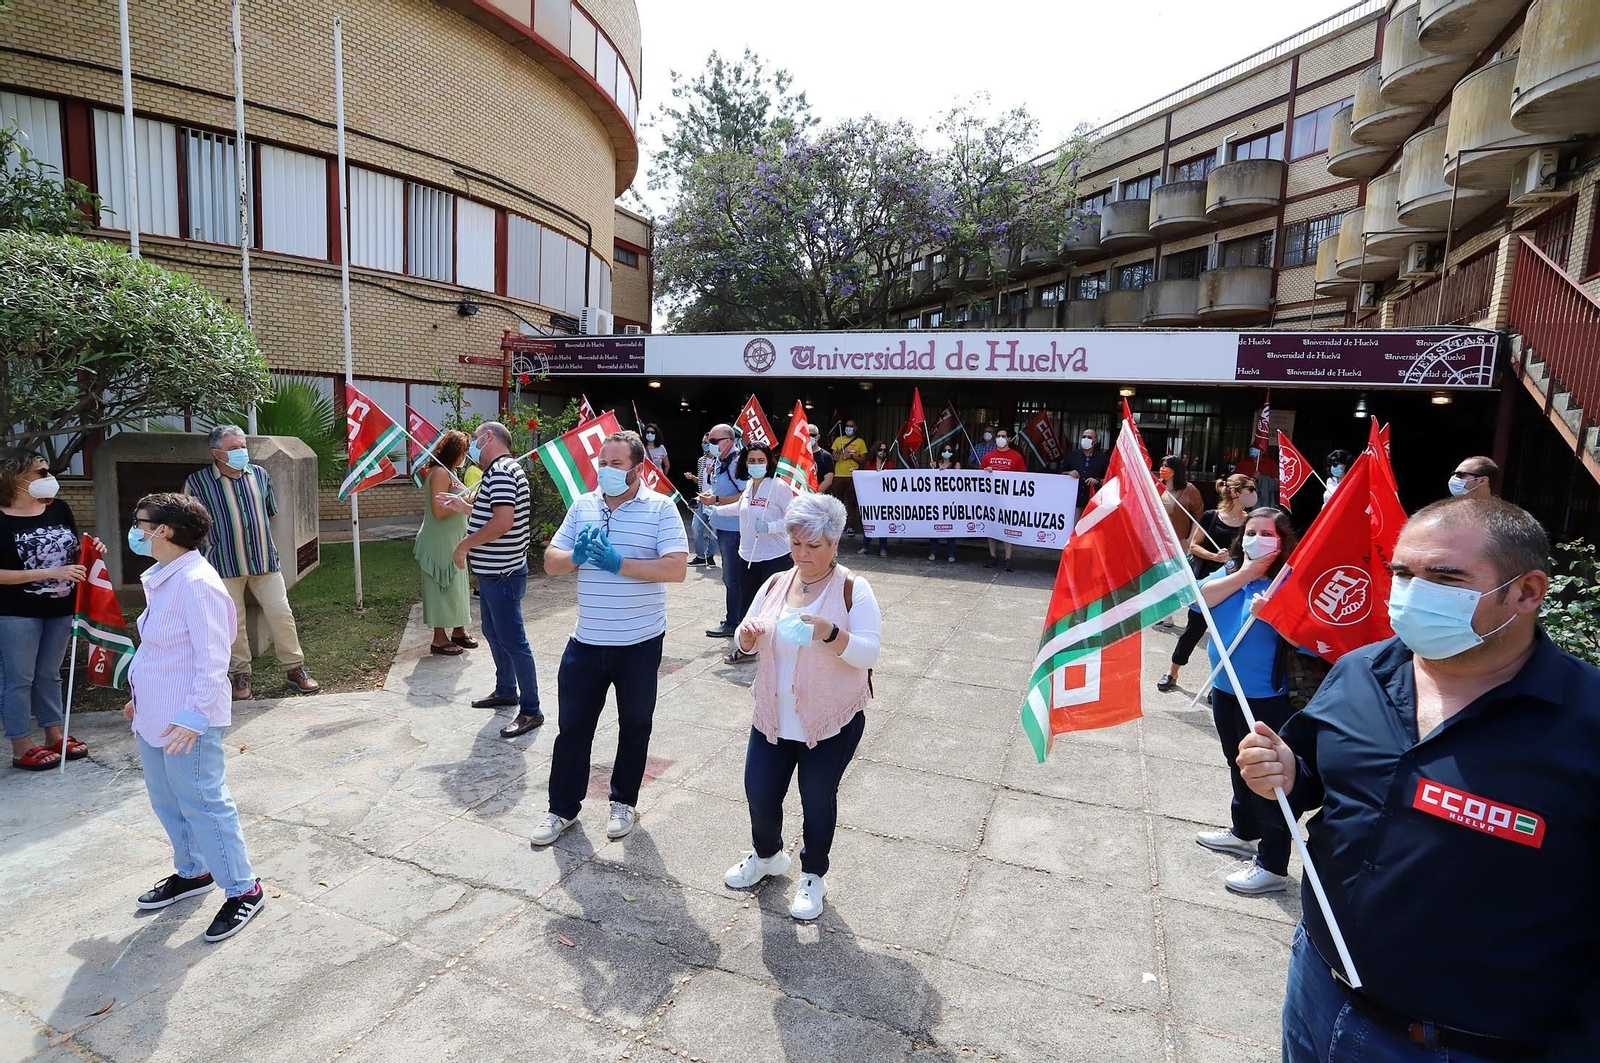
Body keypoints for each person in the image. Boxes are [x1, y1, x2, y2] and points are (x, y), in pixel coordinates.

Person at [1237, 497, 1600, 1063]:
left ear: (1527, 592)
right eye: (1403, 573)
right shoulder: (1361, 671)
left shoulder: (1586, 725)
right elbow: (1313, 777)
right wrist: (1284, 772)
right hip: (1317, 989)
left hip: (1460, 1045)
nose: (1412, 592)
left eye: (1445, 577)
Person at [723, 492, 880, 922]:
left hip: (829, 720)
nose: (803, 553)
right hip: (774, 715)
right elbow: (743, 633)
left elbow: (869, 653)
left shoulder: (852, 588)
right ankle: (767, 855)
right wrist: (747, 639)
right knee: (759, 790)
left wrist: (831, 633)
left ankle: (814, 874)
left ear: (834, 545)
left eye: (814, 545)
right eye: (796, 544)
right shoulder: (775, 583)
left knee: (816, 797)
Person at [530, 431, 688, 845]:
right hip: (586, 641)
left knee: (635, 726)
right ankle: (561, 809)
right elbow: (551, 562)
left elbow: (675, 568)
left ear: (638, 468)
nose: (607, 470)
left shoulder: (660, 509)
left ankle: (623, 801)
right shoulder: (583, 505)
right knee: (572, 729)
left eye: (616, 465)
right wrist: (576, 557)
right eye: (603, 462)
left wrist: (620, 564)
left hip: (639, 642)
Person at [124, 492, 265, 941]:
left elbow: (212, 658)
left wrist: (193, 716)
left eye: (140, 522)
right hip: (155, 713)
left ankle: (244, 890)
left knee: (204, 803)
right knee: (167, 799)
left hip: (187, 720)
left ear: (162, 531)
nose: (136, 529)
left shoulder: (197, 584)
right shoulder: (165, 575)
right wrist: (139, 696)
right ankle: (193, 870)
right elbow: (160, 650)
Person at [1192, 507, 1301, 896]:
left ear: (1283, 538)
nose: (1256, 538)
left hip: (1267, 697)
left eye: (1266, 532)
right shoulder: (1235, 571)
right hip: (1224, 687)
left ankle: (1272, 864)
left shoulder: (1292, 580)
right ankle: (1244, 831)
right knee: (1235, 763)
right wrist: (1245, 575)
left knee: (1268, 777)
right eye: (1251, 531)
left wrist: (1275, 615)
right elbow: (1200, 598)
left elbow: (1309, 636)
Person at [184, 425, 319, 700]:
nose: (241, 452)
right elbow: (191, 525)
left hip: (264, 560)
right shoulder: (196, 483)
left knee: (281, 613)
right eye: (234, 448)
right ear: (216, 453)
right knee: (233, 622)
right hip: (222, 564)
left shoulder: (259, 474)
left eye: (243, 446)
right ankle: (240, 674)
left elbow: (269, 514)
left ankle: (295, 668)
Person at [435, 421, 542, 738]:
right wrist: (464, 507)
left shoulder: (501, 471)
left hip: (503, 573)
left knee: (514, 641)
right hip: (496, 572)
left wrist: (464, 545)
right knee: (494, 632)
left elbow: (503, 522)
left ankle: (532, 710)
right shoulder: (500, 471)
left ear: (490, 437)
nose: (473, 447)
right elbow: (492, 514)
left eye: (477, 438)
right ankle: (506, 689)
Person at [1, 448, 91, 771]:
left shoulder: (60, 509)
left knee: (50, 674)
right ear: (16, 478)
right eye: (41, 473)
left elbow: (74, 551)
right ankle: (21, 744)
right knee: (19, 679)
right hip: (15, 611)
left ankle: (55, 734)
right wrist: (48, 573)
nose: (49, 478)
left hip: (61, 608)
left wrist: (91, 554)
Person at [1159, 474, 1256, 692]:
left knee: (1226, 637)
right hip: (1208, 583)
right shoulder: (1212, 516)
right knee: (1193, 630)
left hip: (1234, 585)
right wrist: (1215, 557)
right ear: (1235, 492)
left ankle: (1217, 684)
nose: (1254, 493)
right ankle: (1172, 672)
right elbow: (1194, 546)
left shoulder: (1250, 521)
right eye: (1250, 488)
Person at [710, 442, 794, 665]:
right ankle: (748, 649)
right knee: (749, 605)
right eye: (752, 461)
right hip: (747, 556)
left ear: (769, 462)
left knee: (776, 606)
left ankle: (778, 652)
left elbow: (793, 517)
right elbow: (741, 508)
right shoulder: (749, 486)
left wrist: (771, 526)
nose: (756, 465)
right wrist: (716, 510)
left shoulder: (778, 487)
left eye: (761, 461)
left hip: (775, 556)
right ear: (745, 463)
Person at [413, 430, 477, 657]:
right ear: (455, 451)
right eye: (464, 451)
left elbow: (456, 501)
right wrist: (462, 502)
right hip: (438, 540)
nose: (466, 456)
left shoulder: (451, 472)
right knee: (441, 585)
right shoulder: (440, 472)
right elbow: (439, 511)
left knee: (457, 585)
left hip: (455, 539)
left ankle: (459, 629)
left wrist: (468, 500)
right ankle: (439, 638)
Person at [699, 423, 747, 639]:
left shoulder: (738, 463)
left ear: (728, 441)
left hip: (735, 528)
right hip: (724, 525)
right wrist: (708, 497)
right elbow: (719, 488)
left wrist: (716, 500)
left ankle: (734, 622)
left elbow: (745, 495)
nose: (710, 445)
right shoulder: (721, 461)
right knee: (731, 575)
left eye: (714, 441)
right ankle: (735, 616)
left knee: (731, 576)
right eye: (709, 441)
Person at [981, 428, 1028, 572]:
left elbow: (1023, 477)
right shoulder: (988, 457)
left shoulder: (1017, 457)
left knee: (1007, 527)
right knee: (991, 527)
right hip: (991, 499)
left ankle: (1008, 558)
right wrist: (986, 471)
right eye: (998, 436)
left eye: (1003, 436)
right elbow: (979, 477)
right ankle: (992, 556)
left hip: (1009, 500)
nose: (1000, 438)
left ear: (1008, 439)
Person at [682, 432, 719, 569]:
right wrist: (693, 478)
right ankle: (700, 556)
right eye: (703, 442)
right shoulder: (701, 461)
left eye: (707, 442)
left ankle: (710, 555)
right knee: (696, 527)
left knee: (714, 529)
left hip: (715, 500)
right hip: (702, 498)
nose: (704, 445)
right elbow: (702, 481)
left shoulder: (719, 461)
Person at [857, 442, 896, 557]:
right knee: (869, 521)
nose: (882, 452)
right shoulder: (869, 463)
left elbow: (892, 478)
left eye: (884, 450)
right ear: (875, 450)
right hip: (871, 497)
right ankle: (865, 546)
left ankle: (883, 548)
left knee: (883, 522)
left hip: (884, 498)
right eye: (880, 449)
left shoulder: (889, 463)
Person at [1063, 427, 1110, 522]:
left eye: (1089, 437)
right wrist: (1068, 473)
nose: (1086, 439)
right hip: (1074, 503)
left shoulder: (1103, 458)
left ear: (1095, 441)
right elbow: (1060, 473)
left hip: (1093, 504)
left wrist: (1097, 481)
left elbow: (1109, 480)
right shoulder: (1072, 456)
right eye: (1084, 437)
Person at [830, 418, 868, 533]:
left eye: (851, 426)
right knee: (838, 501)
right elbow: (834, 457)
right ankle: (838, 525)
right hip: (838, 475)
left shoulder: (860, 441)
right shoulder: (838, 440)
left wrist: (851, 456)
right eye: (847, 425)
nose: (849, 428)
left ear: (855, 428)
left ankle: (851, 525)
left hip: (853, 476)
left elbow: (863, 459)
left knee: (852, 502)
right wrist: (842, 453)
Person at [1159, 455, 1204, 543]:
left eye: (1167, 466)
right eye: (1162, 465)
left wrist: (1189, 541)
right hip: (1158, 541)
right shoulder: (1156, 486)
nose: (1162, 468)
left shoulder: (1189, 489)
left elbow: (1198, 518)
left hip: (1178, 542)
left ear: (1176, 469)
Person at [928, 445, 962, 562]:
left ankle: (951, 554)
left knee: (951, 528)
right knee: (934, 528)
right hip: (936, 500)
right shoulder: (935, 464)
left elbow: (959, 480)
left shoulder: (956, 465)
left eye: (949, 450)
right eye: (945, 450)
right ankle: (933, 552)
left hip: (951, 501)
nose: (947, 452)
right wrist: (934, 469)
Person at [809, 425, 836, 495]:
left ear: (818, 437)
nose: (809, 437)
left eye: (812, 435)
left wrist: (813, 495)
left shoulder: (826, 456)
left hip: (818, 497)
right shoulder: (799, 454)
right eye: (806, 435)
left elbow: (828, 481)